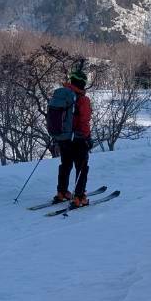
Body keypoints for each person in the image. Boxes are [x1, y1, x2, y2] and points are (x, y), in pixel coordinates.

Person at [46, 68, 94, 208]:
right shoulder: (83, 99)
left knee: (65, 164)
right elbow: (84, 121)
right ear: (83, 83)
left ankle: (62, 192)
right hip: (78, 139)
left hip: (63, 137)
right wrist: (87, 138)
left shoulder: (61, 95)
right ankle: (79, 197)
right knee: (82, 166)